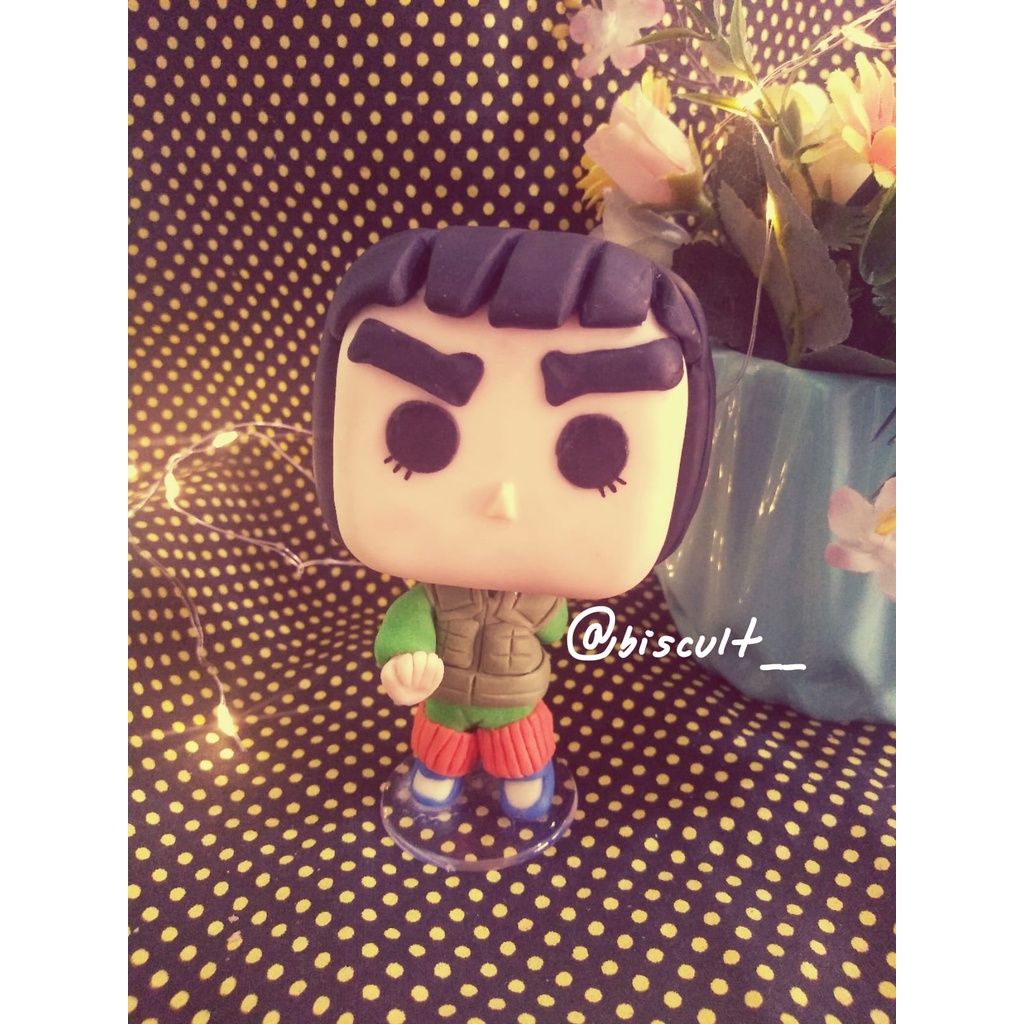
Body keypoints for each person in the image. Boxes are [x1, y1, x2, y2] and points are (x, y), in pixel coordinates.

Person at [313, 226, 714, 819]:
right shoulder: (432, 599)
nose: (502, 500)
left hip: (516, 700)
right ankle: (436, 777)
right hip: (444, 700)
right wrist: (402, 660)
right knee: (439, 748)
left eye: (595, 457)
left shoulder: (539, 600)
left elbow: (555, 630)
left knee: (521, 746)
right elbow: (405, 626)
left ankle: (526, 778)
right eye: (417, 437)